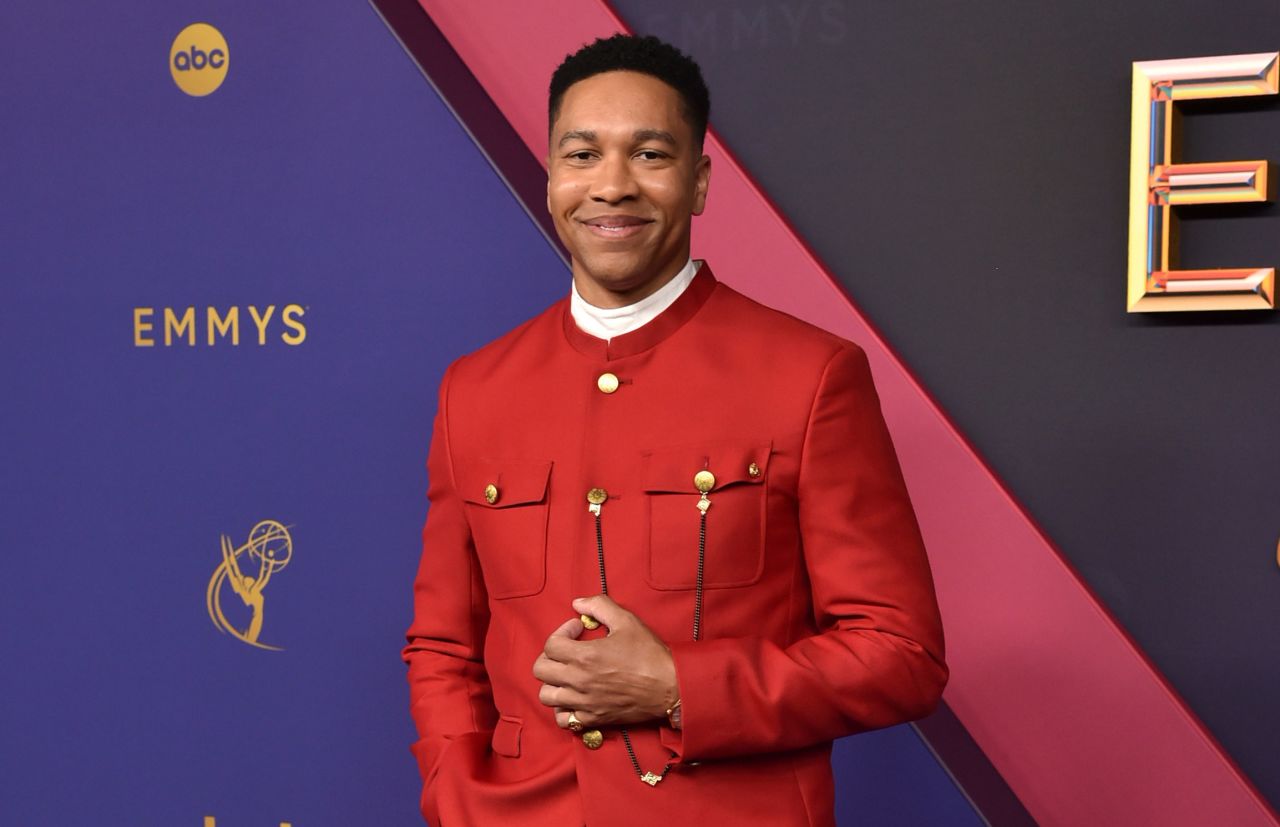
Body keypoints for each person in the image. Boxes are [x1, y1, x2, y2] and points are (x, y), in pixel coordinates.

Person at [403, 33, 947, 827]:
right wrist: (453, 791)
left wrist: (677, 687)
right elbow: (444, 646)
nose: (611, 186)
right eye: (582, 154)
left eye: (650, 154)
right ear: (551, 176)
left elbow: (902, 654)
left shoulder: (810, 374)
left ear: (698, 182)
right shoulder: (474, 389)